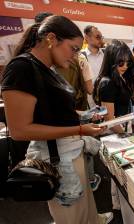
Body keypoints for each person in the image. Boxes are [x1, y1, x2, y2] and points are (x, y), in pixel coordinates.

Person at [1, 16, 114, 224]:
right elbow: (20, 130)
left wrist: (84, 116)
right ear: (52, 39)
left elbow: (54, 113)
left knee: (85, 211)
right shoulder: (21, 69)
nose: (75, 56)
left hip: (70, 152)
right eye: (73, 48)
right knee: (72, 217)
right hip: (58, 159)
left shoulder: (47, 70)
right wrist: (80, 130)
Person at [94, 41, 134, 133]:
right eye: (121, 62)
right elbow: (109, 120)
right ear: (112, 60)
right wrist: (125, 135)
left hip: (123, 127)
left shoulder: (120, 77)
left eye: (128, 63)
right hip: (114, 132)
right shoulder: (107, 83)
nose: (125, 66)